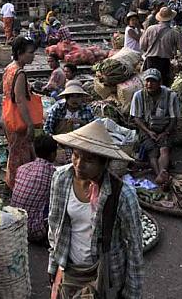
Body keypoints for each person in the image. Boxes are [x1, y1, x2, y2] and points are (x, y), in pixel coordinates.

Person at [48, 121, 143, 299]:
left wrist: (133, 292)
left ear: (104, 163)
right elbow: (54, 227)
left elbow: (134, 247)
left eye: (89, 160)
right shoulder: (61, 179)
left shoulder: (122, 195)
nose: (79, 164)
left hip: (105, 273)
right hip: (70, 270)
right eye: (76, 155)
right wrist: (53, 266)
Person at [130, 68, 180, 188]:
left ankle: (160, 174)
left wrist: (166, 132)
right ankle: (160, 175)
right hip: (146, 129)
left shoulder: (170, 95)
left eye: (153, 81)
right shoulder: (138, 95)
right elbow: (137, 118)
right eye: (147, 81)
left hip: (165, 129)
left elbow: (174, 118)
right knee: (152, 152)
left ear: (160, 82)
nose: (149, 84)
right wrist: (148, 132)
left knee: (164, 149)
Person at [2, 36, 37, 190]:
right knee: (21, 153)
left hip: (8, 116)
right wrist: (30, 124)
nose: (33, 56)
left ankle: (12, 182)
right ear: (19, 53)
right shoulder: (20, 73)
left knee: (14, 150)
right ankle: (19, 185)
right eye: (30, 53)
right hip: (19, 119)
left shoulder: (9, 68)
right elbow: (21, 100)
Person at [11, 134, 58, 242]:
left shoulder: (22, 168)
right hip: (32, 231)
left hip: (13, 223)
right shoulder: (53, 174)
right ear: (52, 154)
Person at [139, 7, 182, 87]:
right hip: (164, 62)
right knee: (162, 86)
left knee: (149, 85)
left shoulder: (150, 29)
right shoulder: (175, 33)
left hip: (150, 61)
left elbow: (142, 46)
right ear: (171, 19)